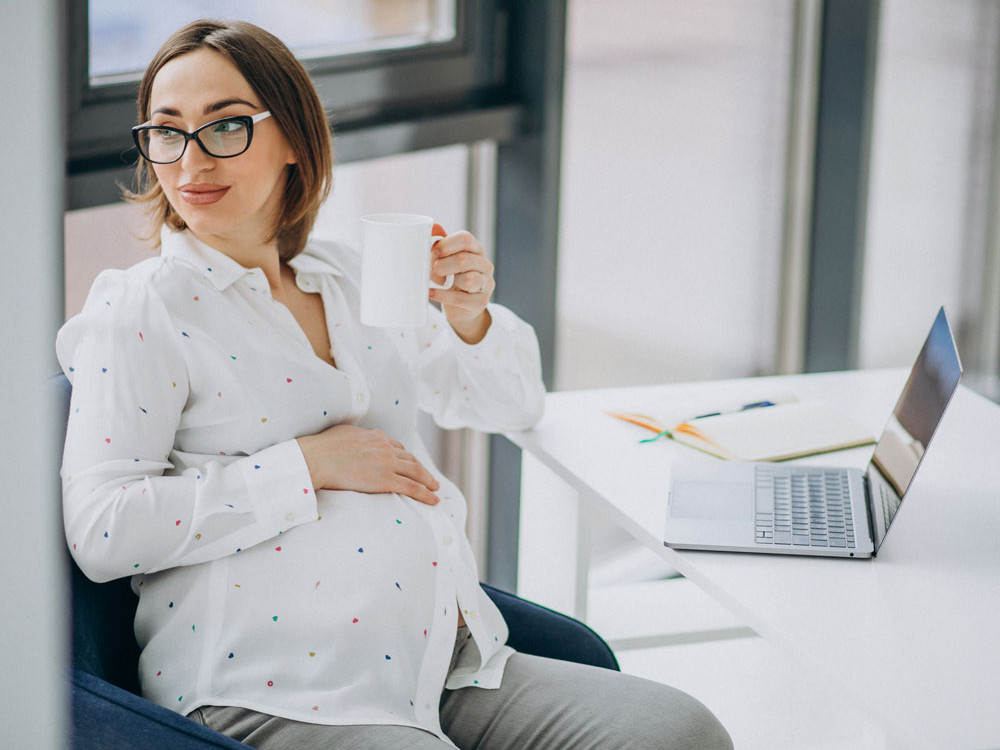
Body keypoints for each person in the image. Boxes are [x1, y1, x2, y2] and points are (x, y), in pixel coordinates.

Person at [57, 18, 733, 750]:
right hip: (273, 690)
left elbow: (510, 403)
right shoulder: (142, 309)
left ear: (291, 138)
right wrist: (306, 467)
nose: (190, 160)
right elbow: (102, 529)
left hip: (444, 663)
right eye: (166, 131)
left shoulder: (350, 277)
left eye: (224, 128)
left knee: (678, 731)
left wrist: (471, 318)